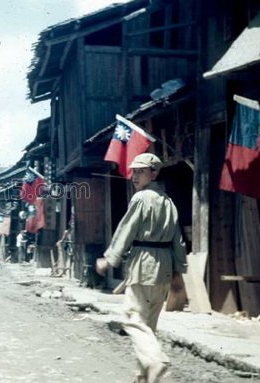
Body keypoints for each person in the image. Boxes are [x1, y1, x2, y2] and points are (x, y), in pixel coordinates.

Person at [95, 153, 187, 383]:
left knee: (132, 318)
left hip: (144, 265)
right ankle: (143, 377)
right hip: (163, 268)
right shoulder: (168, 201)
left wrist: (110, 259)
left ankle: (155, 362)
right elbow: (178, 240)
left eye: (141, 171)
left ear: (154, 173)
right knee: (148, 327)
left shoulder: (141, 198)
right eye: (133, 171)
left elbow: (126, 229)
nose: (134, 175)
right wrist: (178, 272)